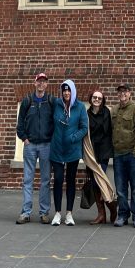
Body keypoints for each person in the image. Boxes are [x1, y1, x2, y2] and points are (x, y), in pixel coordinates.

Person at [15, 71, 54, 224]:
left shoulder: (51, 101)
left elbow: (57, 121)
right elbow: (20, 124)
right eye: (39, 81)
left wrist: (51, 140)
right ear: (35, 82)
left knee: (45, 180)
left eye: (44, 81)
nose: (41, 84)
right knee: (28, 180)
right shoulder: (27, 101)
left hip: (46, 145)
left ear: (47, 84)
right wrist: (24, 139)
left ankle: (44, 213)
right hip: (30, 145)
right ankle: (25, 212)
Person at [49, 78, 88, 226]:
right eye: (64, 90)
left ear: (73, 91)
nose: (66, 92)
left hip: (72, 150)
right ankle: (58, 213)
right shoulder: (57, 105)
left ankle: (69, 214)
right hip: (57, 149)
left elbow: (84, 127)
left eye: (69, 90)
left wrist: (73, 138)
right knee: (58, 179)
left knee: (70, 180)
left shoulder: (80, 107)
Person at [111, 82, 135, 228]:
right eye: (120, 92)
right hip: (118, 154)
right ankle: (122, 215)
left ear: (130, 93)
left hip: (133, 154)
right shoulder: (114, 110)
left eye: (125, 91)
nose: (122, 94)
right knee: (120, 188)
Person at [85, 89, 117, 224]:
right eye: (94, 97)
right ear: (91, 99)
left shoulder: (107, 113)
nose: (97, 100)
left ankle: (112, 207)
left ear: (103, 100)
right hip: (91, 153)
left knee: (100, 181)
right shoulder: (86, 115)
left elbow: (109, 133)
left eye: (99, 98)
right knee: (94, 183)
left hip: (103, 152)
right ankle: (101, 213)